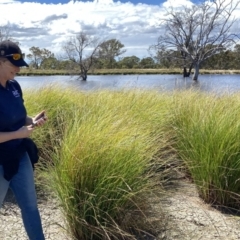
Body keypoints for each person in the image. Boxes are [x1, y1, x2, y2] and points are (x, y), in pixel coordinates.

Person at [0, 40, 46, 240]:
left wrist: (33, 120)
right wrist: (18, 134)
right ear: (0, 61)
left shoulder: (14, 86)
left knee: (30, 205)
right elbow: (16, 129)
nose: (18, 69)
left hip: (19, 154)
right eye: (13, 65)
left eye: (20, 65)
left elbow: (20, 117)